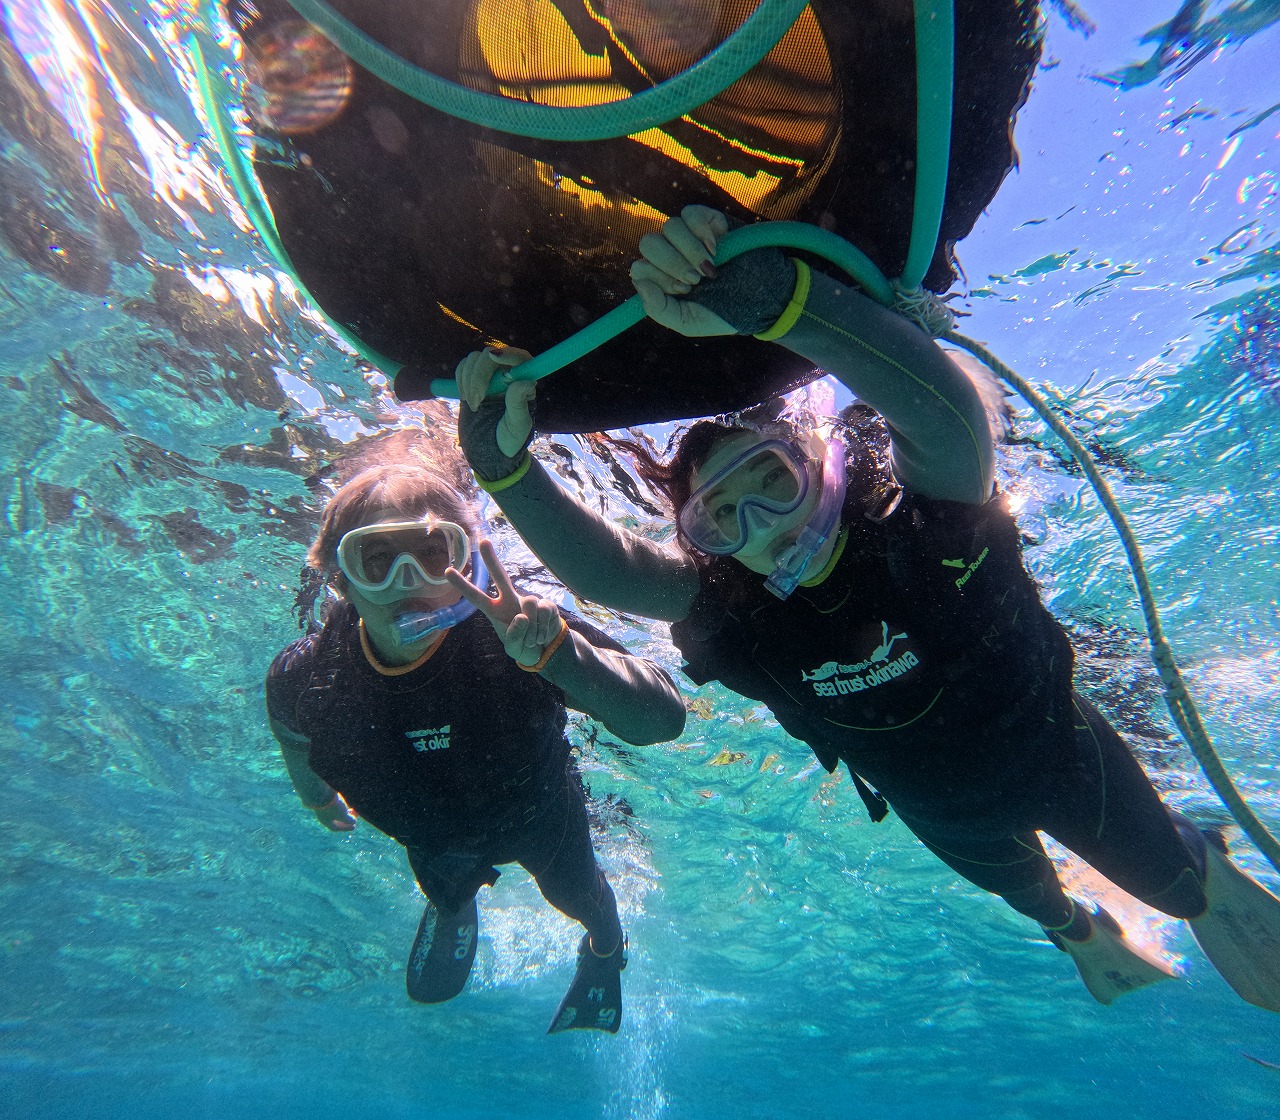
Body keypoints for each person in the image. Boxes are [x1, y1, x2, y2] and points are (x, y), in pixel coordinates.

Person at [454, 204, 1280, 1011]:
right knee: (1039, 903)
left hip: (1062, 761)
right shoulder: (741, 614)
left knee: (1173, 887)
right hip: (945, 819)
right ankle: (1079, 931)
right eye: (721, 518)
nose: (761, 526)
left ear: (823, 470)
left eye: (773, 481)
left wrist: (787, 305)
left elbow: (946, 420)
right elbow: (613, 575)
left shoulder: (920, 533)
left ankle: (1196, 861)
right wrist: (504, 470)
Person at [265, 434, 686, 1034]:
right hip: (432, 837)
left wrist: (559, 657)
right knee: (445, 888)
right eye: (376, 559)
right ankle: (454, 906)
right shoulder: (306, 675)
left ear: (468, 564)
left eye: (433, 552)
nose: (408, 580)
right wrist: (315, 794)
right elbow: (292, 734)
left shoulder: (519, 635)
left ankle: (605, 947)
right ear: (341, 580)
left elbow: (664, 719)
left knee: (582, 900)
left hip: (542, 818)